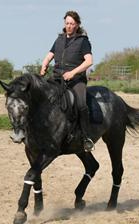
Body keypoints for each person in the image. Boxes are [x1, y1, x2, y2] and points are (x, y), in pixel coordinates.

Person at [40, 10, 95, 152]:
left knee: (81, 104)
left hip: (76, 80)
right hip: (57, 77)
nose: (69, 26)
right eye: (67, 23)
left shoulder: (83, 41)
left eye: (72, 24)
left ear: (77, 25)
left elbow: (89, 61)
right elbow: (50, 54)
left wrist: (73, 72)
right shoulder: (59, 39)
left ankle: (86, 138)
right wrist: (44, 64)